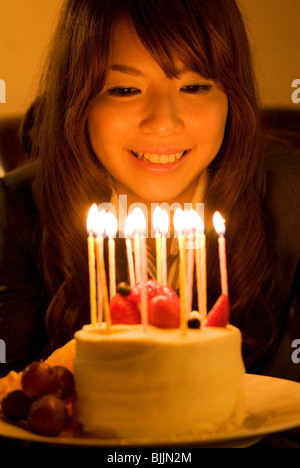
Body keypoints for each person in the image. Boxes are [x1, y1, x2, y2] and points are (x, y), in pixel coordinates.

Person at [0, 0, 299, 388]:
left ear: (233, 98)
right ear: (80, 103)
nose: (163, 123)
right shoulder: (15, 215)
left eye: (194, 86)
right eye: (125, 89)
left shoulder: (291, 201)